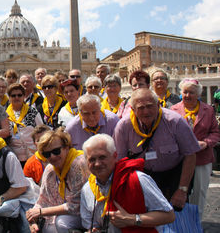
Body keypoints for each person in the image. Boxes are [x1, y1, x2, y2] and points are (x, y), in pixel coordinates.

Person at [113, 88, 200, 210]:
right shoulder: (123, 126)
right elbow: (120, 160)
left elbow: (190, 155)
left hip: (174, 173)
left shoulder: (175, 121)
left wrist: (182, 190)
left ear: (158, 105)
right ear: (133, 109)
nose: (146, 112)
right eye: (141, 108)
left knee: (178, 212)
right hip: (145, 174)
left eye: (150, 106)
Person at [80, 134, 175, 232]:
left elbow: (169, 215)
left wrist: (132, 219)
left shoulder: (137, 180)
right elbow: (91, 225)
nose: (97, 164)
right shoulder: (87, 190)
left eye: (102, 157)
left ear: (115, 156)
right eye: (92, 159)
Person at [171, 78, 220, 218]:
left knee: (199, 193)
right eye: (185, 92)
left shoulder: (208, 110)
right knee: (179, 191)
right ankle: (181, 222)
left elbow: (216, 133)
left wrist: (206, 143)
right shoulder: (173, 110)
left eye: (191, 92)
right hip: (179, 160)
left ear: (198, 94)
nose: (187, 95)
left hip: (202, 159)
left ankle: (196, 222)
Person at [26, 128, 86, 233]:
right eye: (47, 154)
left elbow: (75, 206)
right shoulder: (50, 170)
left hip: (86, 214)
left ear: (66, 147)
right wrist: (32, 218)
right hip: (62, 215)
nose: (52, 157)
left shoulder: (79, 164)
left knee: (61, 222)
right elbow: (43, 200)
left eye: (56, 151)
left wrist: (41, 212)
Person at [6, 83, 43, 166]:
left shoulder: (32, 111)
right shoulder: (5, 114)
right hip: (13, 157)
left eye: (19, 95)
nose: (16, 97)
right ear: (9, 98)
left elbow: (42, 130)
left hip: (32, 155)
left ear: (23, 96)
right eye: (13, 95)